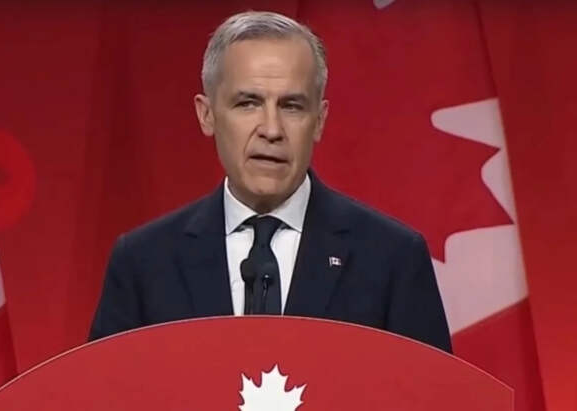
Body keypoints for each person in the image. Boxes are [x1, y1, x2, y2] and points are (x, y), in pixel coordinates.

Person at [89, 11, 452, 353]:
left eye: (292, 106)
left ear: (319, 120)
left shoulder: (392, 259)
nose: (272, 129)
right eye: (248, 103)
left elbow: (432, 391)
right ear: (207, 114)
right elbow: (102, 390)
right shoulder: (143, 262)